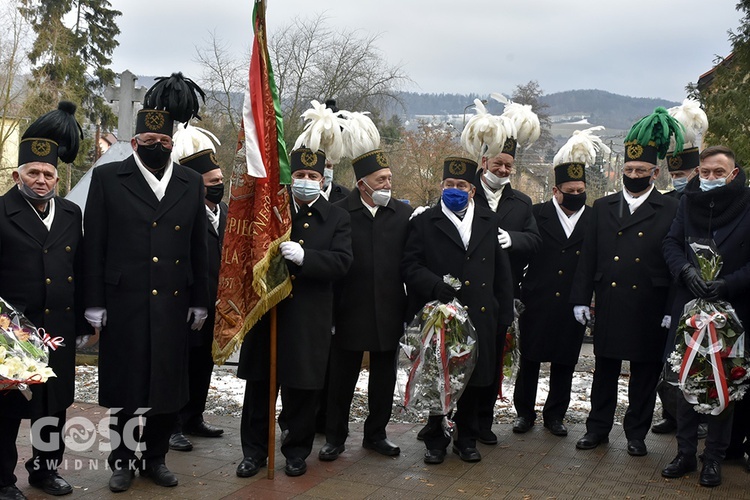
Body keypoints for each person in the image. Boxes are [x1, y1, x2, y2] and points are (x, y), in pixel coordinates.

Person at [83, 73, 210, 492]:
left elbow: (198, 247)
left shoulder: (191, 183)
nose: (158, 146)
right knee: (126, 385)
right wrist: (94, 301)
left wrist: (200, 300)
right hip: (125, 301)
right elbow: (95, 242)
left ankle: (155, 457)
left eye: (165, 140)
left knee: (166, 385)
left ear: (173, 143)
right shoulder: (108, 178)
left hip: (173, 302)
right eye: (150, 139)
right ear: (135, 142)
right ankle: (121, 459)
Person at [570, 107, 682, 457]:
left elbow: (676, 262)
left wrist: (670, 310)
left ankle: (636, 433)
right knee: (604, 371)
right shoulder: (603, 207)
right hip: (610, 299)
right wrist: (579, 298)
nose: (634, 175)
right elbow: (588, 256)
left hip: (650, 303)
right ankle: (597, 429)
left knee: (645, 375)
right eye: (629, 170)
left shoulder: (670, 209)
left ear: (655, 172)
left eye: (641, 170)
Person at [236, 148, 352, 478]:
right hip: (269, 310)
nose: (305, 182)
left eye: (312, 177)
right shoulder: (272, 211)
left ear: (322, 179)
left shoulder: (337, 217)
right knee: (260, 387)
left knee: (302, 389)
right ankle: (254, 452)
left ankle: (297, 451)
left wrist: (307, 257)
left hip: (308, 316)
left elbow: (343, 262)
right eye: (299, 176)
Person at [0, 102, 87, 500]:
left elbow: (81, 268)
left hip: (59, 330)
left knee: (53, 407)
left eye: (47, 173)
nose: (40, 179)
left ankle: (44, 472)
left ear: (56, 177)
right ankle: (2, 479)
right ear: (18, 174)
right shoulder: (2, 211)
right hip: (13, 333)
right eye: (32, 173)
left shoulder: (70, 213)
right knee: (7, 412)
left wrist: (85, 323)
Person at [402, 156, 514, 464]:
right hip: (440, 316)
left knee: (476, 381)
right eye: (449, 184)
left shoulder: (489, 221)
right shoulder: (425, 221)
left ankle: (466, 439)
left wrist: (505, 313)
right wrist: (433, 284)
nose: (455, 189)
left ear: (472, 190)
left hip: (481, 315)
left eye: (461, 185)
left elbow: (501, 272)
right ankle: (436, 440)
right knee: (440, 379)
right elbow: (410, 265)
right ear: (441, 187)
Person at [660, 145, 750, 487]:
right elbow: (670, 243)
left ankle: (712, 458)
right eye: (706, 172)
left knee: (723, 384)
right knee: (687, 382)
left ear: (734, 174)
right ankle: (684, 452)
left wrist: (727, 284)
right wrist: (685, 271)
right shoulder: (688, 201)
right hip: (690, 307)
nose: (711, 179)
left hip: (732, 310)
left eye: (719, 173)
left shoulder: (747, 204)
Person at [318, 148, 412, 461]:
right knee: (341, 380)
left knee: (384, 379)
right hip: (348, 308)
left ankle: (376, 435)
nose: (387, 184)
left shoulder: (402, 214)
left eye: (389, 179)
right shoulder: (341, 212)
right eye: (380, 179)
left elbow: (410, 263)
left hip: (388, 307)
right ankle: (335, 437)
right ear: (362, 184)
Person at [513, 128, 604, 438]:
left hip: (572, 301)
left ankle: (555, 415)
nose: (576, 194)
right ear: (556, 190)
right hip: (537, 299)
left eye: (581, 189)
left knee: (565, 360)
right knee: (530, 359)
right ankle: (524, 412)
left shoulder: (594, 219)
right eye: (570, 189)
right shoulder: (536, 215)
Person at [472, 138, 541, 442]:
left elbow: (535, 241)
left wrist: (512, 239)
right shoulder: (466, 191)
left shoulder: (522, 202)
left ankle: (483, 423)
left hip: (501, 294)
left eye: (508, 165)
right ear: (484, 161)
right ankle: (444, 420)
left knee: (491, 360)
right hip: (467, 291)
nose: (502, 169)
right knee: (458, 355)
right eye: (497, 163)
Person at [653, 99, 708, 438]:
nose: (677, 181)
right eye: (673, 175)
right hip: (670, 289)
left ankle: (698, 417)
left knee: (698, 358)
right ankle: (671, 415)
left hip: (701, 289)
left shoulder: (705, 200)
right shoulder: (670, 202)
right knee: (669, 359)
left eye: (682, 175)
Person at [169, 143, 227, 452]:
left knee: (204, 362)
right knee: (181, 366)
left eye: (220, 180)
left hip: (216, 304)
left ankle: (194, 417)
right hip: (188, 305)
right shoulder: (185, 215)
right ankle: (173, 425)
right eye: (213, 182)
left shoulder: (226, 212)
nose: (220, 186)